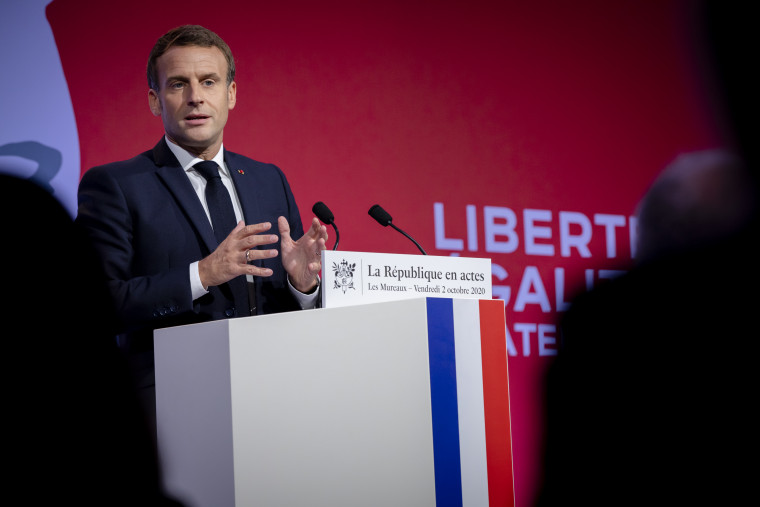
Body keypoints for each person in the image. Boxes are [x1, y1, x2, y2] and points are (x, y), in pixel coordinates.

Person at [76, 25, 328, 429]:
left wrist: (303, 286)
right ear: (155, 101)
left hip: (274, 399)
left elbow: (287, 307)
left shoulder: (268, 179)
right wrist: (203, 274)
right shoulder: (116, 185)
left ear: (230, 94)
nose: (195, 96)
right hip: (169, 409)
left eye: (208, 81)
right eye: (178, 84)